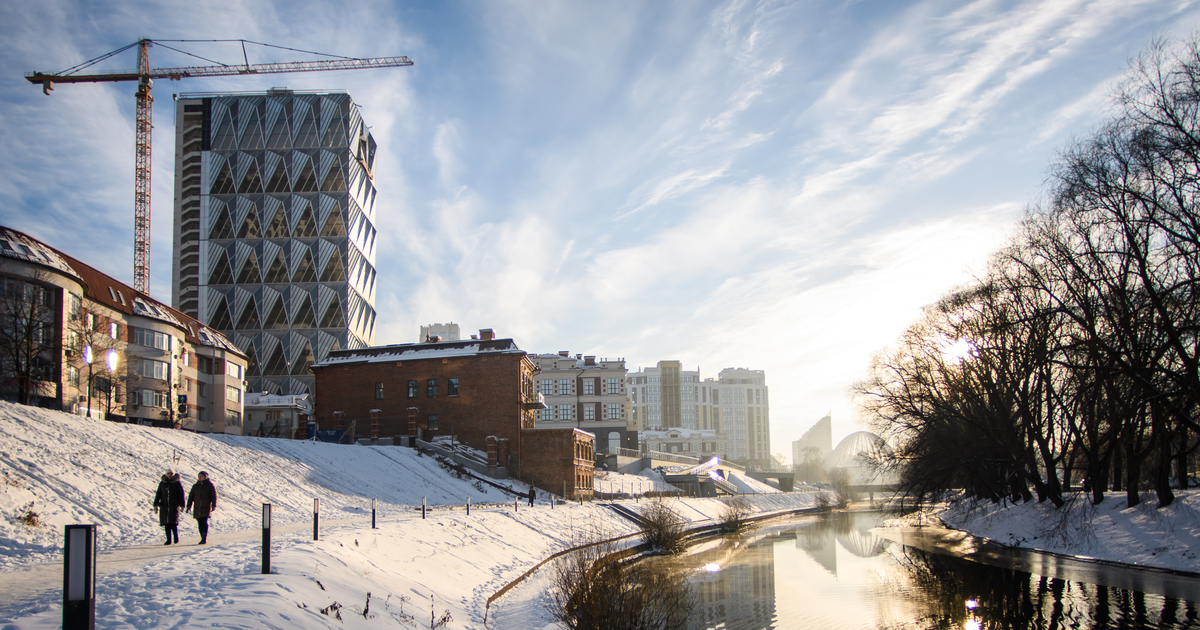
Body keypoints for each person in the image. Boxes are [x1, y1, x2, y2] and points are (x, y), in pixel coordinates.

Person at [152, 469, 185, 545]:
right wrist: (156, 504)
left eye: (171, 474)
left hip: (174, 506)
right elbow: (158, 494)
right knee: (166, 523)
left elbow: (181, 494)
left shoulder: (177, 483)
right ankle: (168, 540)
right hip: (164, 506)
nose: (169, 475)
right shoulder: (162, 483)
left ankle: (175, 537)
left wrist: (182, 504)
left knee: (173, 523)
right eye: (168, 474)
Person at [185, 471, 218, 545]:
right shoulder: (195, 486)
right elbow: (191, 496)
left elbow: (214, 496)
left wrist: (213, 505)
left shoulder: (209, 485)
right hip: (197, 507)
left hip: (205, 507)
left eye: (201, 476)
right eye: (199, 476)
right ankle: (201, 536)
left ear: (205, 477)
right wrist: (188, 506)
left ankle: (204, 538)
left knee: (204, 522)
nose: (200, 478)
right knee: (199, 523)